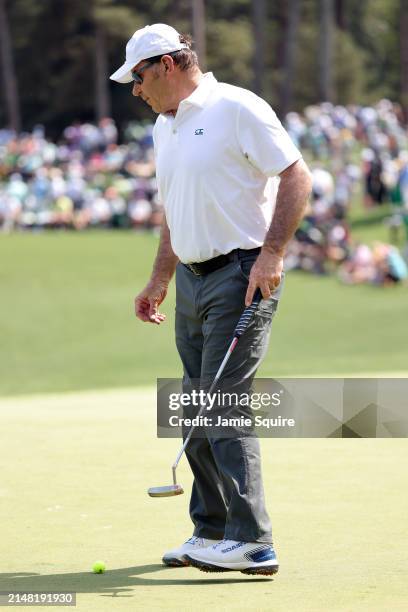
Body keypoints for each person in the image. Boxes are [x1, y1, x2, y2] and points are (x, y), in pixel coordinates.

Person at [110, 23, 312, 575]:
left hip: (243, 272)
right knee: (193, 402)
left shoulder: (236, 107)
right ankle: (211, 530)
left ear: (169, 64)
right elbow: (176, 212)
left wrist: (272, 255)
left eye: (139, 76)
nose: (135, 89)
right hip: (194, 281)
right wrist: (159, 280)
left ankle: (253, 540)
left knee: (223, 401)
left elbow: (296, 176)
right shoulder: (163, 127)